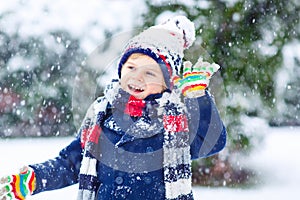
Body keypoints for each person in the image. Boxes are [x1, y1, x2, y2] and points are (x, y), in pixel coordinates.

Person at [0, 15, 226, 200]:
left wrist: (198, 96)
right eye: (131, 67)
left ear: (167, 82)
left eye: (150, 72)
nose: (137, 77)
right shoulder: (103, 116)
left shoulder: (174, 122)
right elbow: (72, 162)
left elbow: (212, 142)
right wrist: (35, 179)